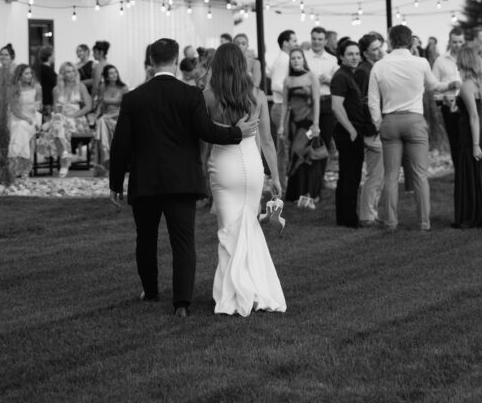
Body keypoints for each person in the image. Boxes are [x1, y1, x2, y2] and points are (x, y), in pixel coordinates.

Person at [109, 38, 259, 317]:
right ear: (176, 60)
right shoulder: (190, 94)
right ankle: (182, 303)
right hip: (181, 180)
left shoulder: (133, 98)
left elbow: (120, 145)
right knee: (183, 241)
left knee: (146, 238)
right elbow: (207, 131)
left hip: (146, 180)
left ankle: (151, 291)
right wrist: (238, 133)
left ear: (151, 61)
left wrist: (116, 184)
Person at [204, 43, 286, 316]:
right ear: (242, 64)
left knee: (228, 230)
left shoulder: (208, 96)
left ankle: (232, 294)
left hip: (223, 165)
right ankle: (253, 289)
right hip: (251, 166)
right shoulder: (258, 95)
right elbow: (267, 141)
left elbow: (203, 138)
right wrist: (275, 176)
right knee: (248, 227)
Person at [368, 24, 459, 232]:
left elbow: (373, 102)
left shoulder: (379, 66)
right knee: (420, 174)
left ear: (390, 42)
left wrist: (378, 122)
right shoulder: (421, 62)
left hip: (390, 121)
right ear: (411, 42)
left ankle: (391, 222)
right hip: (415, 120)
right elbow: (434, 86)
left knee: (390, 176)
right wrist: (451, 84)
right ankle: (424, 223)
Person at [452, 46, 482, 229]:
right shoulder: (476, 82)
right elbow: (476, 110)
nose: (456, 64)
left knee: (471, 175)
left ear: (463, 62)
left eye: (458, 61)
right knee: (479, 176)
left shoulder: (466, 86)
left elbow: (473, 115)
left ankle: (471, 216)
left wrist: (474, 145)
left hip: (472, 136)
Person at [280, 47, 322, 208]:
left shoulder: (312, 77)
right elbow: (284, 104)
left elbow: (317, 102)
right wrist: (282, 126)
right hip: (293, 124)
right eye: (293, 58)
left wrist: (316, 124)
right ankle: (298, 195)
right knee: (295, 156)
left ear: (304, 59)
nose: (296, 60)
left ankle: (310, 194)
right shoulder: (288, 80)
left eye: (298, 57)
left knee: (307, 157)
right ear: (290, 62)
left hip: (309, 123)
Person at [330, 40, 365, 228]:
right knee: (350, 176)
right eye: (350, 54)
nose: (355, 57)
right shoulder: (341, 76)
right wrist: (351, 130)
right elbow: (336, 106)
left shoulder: (349, 75)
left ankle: (346, 218)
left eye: (357, 54)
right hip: (348, 132)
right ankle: (348, 219)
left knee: (349, 176)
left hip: (352, 130)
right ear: (341, 56)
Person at [39, 62, 92, 177]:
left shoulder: (81, 86)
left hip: (78, 120)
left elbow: (88, 106)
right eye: (68, 71)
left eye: (73, 71)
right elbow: (55, 108)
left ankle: (64, 161)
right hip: (62, 119)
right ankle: (65, 155)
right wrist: (61, 113)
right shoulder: (56, 90)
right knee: (59, 121)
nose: (72, 74)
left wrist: (73, 115)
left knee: (57, 124)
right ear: (62, 74)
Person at [355, 32, 386, 227]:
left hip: (376, 126)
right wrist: (373, 126)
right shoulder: (364, 71)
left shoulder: (373, 68)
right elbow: (364, 102)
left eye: (380, 47)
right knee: (375, 174)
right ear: (365, 52)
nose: (379, 51)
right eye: (374, 49)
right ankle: (367, 214)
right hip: (371, 129)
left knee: (379, 174)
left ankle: (371, 212)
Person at [266, 29, 298, 191]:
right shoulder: (283, 60)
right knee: (287, 148)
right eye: (294, 40)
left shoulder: (283, 59)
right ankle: (289, 187)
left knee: (281, 151)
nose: (296, 43)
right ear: (285, 43)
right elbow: (276, 85)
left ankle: (281, 186)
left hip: (280, 107)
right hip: (281, 108)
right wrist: (295, 89)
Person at [304, 26, 337, 175]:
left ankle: (320, 177)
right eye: (314, 39)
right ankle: (309, 176)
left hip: (326, 102)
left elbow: (337, 83)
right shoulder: (303, 57)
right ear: (311, 39)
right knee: (308, 138)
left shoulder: (332, 59)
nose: (317, 42)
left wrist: (328, 79)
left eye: (320, 39)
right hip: (308, 104)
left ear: (325, 41)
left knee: (325, 138)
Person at [432, 28, 465, 168]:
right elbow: (433, 85)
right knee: (454, 140)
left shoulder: (469, 58)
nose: (458, 45)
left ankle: (469, 170)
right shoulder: (440, 61)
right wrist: (448, 86)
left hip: (467, 105)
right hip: (449, 106)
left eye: (460, 42)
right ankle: (459, 171)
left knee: (468, 140)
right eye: (454, 42)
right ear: (449, 41)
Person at [8, 64, 42, 177]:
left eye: (30, 73)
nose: (29, 76)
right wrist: (25, 119)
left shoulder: (36, 87)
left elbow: (39, 105)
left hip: (33, 119)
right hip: (18, 118)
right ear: (20, 75)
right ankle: (25, 164)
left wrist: (38, 106)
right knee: (20, 126)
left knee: (21, 127)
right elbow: (14, 109)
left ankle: (15, 162)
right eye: (26, 73)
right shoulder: (14, 89)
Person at [93, 64, 128, 173]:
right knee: (101, 121)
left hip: (120, 117)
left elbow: (126, 108)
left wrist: (109, 116)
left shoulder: (123, 88)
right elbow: (100, 104)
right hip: (106, 117)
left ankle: (105, 158)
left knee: (102, 122)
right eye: (111, 73)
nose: (114, 75)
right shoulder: (103, 87)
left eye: (115, 72)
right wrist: (95, 117)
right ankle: (106, 158)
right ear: (107, 77)